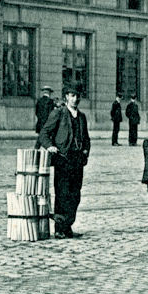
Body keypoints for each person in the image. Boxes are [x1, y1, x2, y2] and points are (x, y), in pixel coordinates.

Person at [39, 87, 91, 238]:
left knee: (76, 195)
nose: (75, 99)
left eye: (77, 96)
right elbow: (44, 133)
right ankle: (60, 229)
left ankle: (68, 226)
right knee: (62, 194)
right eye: (72, 96)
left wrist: (86, 151)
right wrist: (50, 147)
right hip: (63, 159)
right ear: (67, 97)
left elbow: (87, 139)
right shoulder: (59, 113)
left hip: (77, 161)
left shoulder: (82, 117)